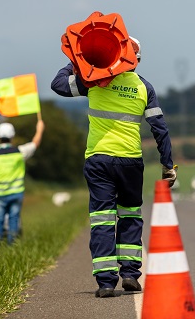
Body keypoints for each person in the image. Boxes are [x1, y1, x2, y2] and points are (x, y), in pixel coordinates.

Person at [51, 36, 176, 298]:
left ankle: (106, 283)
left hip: (98, 160)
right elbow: (160, 130)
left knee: (102, 218)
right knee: (130, 215)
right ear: (136, 60)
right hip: (130, 161)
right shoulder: (144, 87)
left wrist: (76, 61)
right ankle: (130, 274)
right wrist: (167, 165)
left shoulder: (94, 80)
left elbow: (58, 85)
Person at [0, 119, 45, 247]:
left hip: (0, 195)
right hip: (16, 193)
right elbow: (35, 143)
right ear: (12, 136)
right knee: (14, 221)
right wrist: (39, 129)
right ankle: (12, 247)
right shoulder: (19, 152)